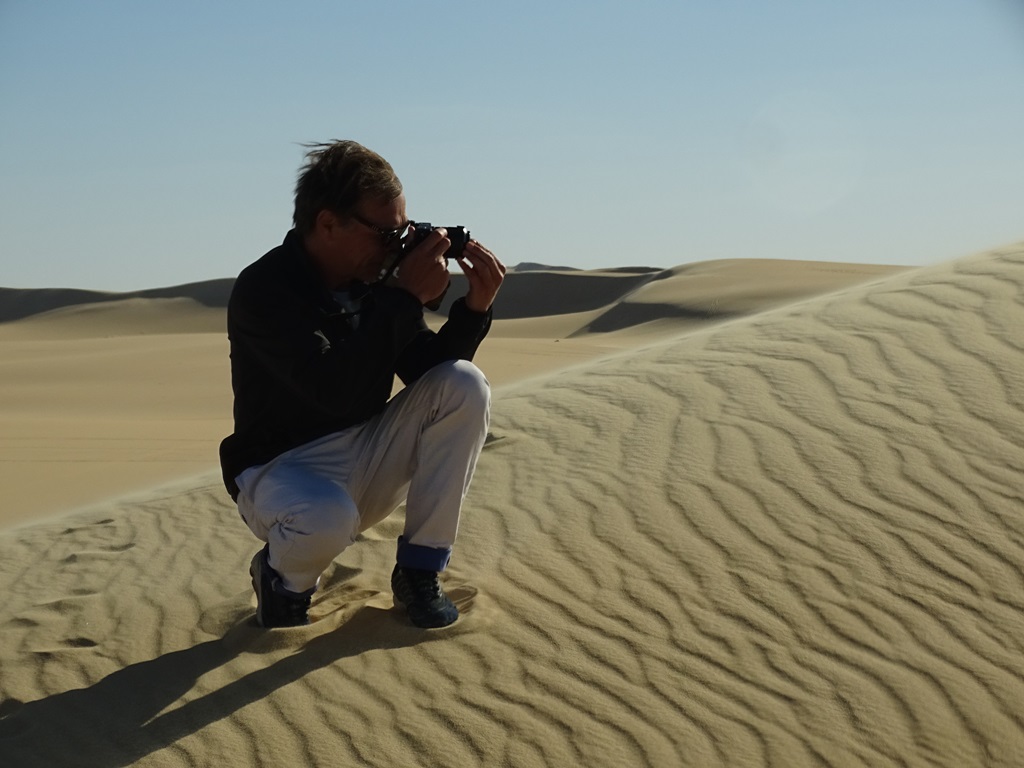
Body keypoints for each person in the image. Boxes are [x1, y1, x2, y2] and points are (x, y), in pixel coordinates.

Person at [219, 140, 505, 629]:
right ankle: (282, 582)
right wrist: (402, 298)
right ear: (328, 223)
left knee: (463, 383)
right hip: (281, 472)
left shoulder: (372, 282)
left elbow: (426, 372)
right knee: (325, 516)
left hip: (367, 454)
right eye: (386, 233)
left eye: (403, 232)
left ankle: (419, 572)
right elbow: (331, 391)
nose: (396, 247)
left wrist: (473, 310)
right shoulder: (265, 290)